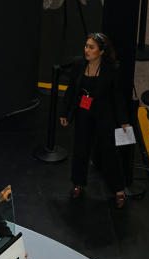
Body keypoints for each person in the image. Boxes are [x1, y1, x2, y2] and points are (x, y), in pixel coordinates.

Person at [60, 33, 132, 209]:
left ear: (101, 51)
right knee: (80, 150)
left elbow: (117, 96)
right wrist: (65, 113)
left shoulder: (111, 69)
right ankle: (78, 183)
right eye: (86, 46)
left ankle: (118, 190)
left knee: (109, 152)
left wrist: (123, 121)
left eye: (91, 47)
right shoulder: (79, 64)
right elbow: (71, 91)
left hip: (103, 116)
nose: (87, 50)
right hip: (83, 113)